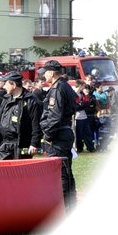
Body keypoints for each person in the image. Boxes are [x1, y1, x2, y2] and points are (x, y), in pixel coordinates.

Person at [38, 59, 78, 210]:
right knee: (66, 171)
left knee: (60, 173)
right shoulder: (65, 86)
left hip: (58, 135)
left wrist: (48, 135)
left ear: (51, 73)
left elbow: (54, 116)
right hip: (64, 131)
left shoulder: (57, 89)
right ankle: (70, 205)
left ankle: (65, 207)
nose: (43, 76)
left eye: (45, 73)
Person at [0, 71, 42, 160]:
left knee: (20, 168)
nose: (4, 87)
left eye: (6, 84)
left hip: (21, 145)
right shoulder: (6, 99)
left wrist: (34, 144)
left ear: (14, 85)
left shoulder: (31, 101)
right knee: (2, 168)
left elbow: (36, 125)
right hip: (4, 144)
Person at [74, 82, 97, 153]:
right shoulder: (73, 94)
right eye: (83, 86)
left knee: (88, 133)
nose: (84, 88)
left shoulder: (82, 94)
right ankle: (79, 149)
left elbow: (87, 104)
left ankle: (90, 148)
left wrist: (83, 105)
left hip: (84, 116)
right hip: (77, 118)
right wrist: (83, 105)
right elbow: (75, 107)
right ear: (80, 86)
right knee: (79, 135)